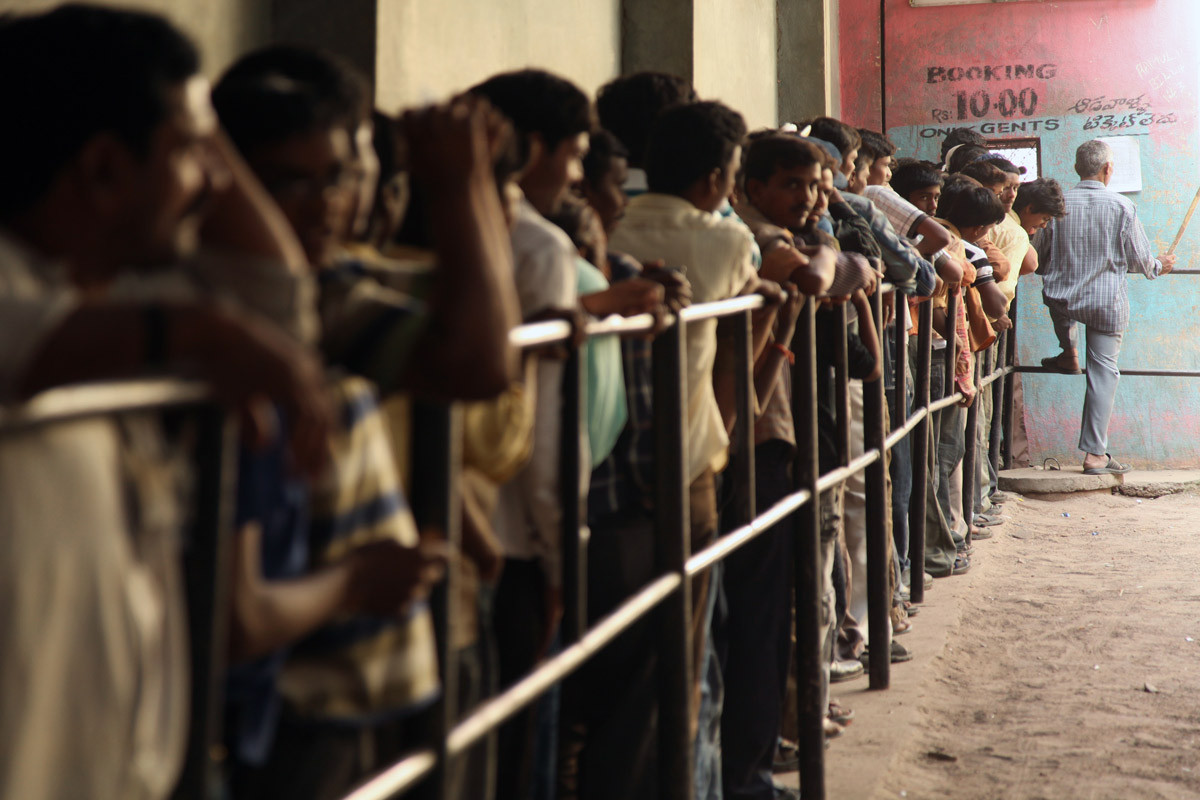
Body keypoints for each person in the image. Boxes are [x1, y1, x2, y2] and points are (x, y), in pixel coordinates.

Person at [0, 7, 335, 800]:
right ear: (103, 170)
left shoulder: (106, 302)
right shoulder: (57, 307)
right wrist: (197, 330)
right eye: (190, 151)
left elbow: (275, 296)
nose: (215, 180)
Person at [1034, 139, 1175, 474]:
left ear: (1076, 168)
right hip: (1105, 304)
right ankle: (1095, 455)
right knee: (1103, 373)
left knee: (1058, 300)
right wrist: (1160, 264)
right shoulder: (1122, 206)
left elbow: (1038, 259)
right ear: (1108, 169)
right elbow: (1141, 262)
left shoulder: (1058, 206)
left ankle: (1067, 349)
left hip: (1064, 298)